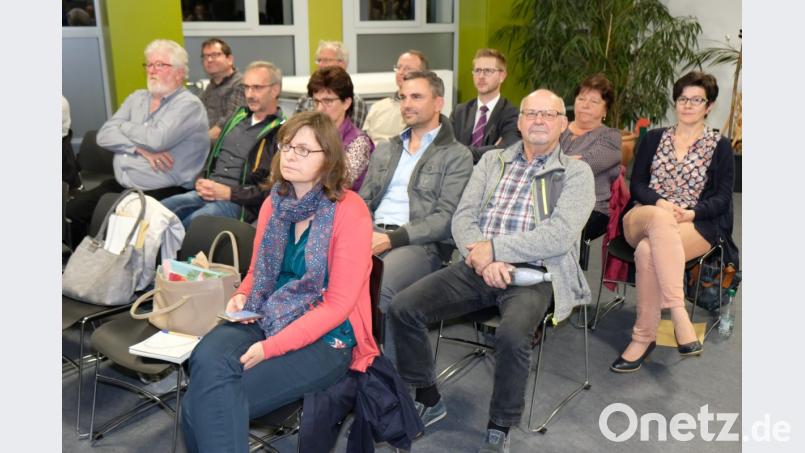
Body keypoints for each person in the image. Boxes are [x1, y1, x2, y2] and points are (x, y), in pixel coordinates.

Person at [389, 89, 594, 453]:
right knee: (404, 307)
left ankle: (500, 424)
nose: (539, 121)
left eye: (549, 114)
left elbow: (559, 236)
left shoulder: (575, 173)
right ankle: (428, 397)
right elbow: (463, 217)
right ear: (520, 121)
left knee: (513, 335)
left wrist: (497, 249)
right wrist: (486, 259)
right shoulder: (492, 162)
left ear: (564, 124)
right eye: (531, 113)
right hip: (478, 265)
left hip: (534, 275)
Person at [181, 111, 380, 452]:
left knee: (200, 405)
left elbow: (337, 305)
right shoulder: (277, 201)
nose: (289, 154)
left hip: (326, 337)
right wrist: (243, 294)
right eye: (287, 145)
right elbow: (258, 270)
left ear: (328, 158)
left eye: (304, 149)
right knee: (203, 357)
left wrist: (269, 348)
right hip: (267, 312)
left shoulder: (350, 210)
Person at [610, 71, 738, 373]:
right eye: (683, 99)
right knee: (657, 218)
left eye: (697, 100)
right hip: (644, 215)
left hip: (693, 222)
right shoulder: (655, 138)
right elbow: (638, 183)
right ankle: (678, 311)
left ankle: (643, 338)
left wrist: (691, 213)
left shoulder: (718, 145)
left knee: (646, 252)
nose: (688, 105)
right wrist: (662, 203)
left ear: (709, 106)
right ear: (675, 102)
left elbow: (722, 197)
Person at [358, 71, 473, 364]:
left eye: (416, 97)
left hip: (421, 244)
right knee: (322, 275)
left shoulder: (456, 155)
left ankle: (392, 382)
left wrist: (390, 239)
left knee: (378, 289)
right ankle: (349, 367)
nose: (407, 103)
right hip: (371, 232)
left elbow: (445, 218)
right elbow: (363, 201)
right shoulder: (386, 148)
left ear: (438, 103)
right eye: (403, 97)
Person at [65, 39, 208, 244]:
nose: (152, 70)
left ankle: (105, 270)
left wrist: (124, 126)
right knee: (72, 210)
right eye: (149, 64)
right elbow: (104, 135)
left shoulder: (189, 105)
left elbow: (157, 139)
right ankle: (80, 269)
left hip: (162, 189)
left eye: (160, 65)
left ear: (179, 71)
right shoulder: (138, 98)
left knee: (113, 226)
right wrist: (138, 150)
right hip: (123, 184)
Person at [160, 61, 286, 230]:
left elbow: (273, 190)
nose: (249, 94)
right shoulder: (237, 117)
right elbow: (214, 155)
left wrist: (228, 193)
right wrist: (201, 178)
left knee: (194, 223)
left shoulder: (282, 132)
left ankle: (172, 255)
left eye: (257, 88)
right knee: (159, 211)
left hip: (239, 201)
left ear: (275, 89)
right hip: (209, 190)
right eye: (246, 87)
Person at [559, 73, 622, 241]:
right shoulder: (558, 127)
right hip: (548, 201)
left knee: (551, 227)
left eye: (594, 102)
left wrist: (547, 158)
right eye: (581, 99)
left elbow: (581, 167)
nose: (585, 105)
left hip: (590, 209)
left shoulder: (611, 137)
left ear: (605, 110)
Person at [307, 66, 374, 191]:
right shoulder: (309, 134)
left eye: (328, 101)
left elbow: (338, 184)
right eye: (316, 101)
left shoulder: (359, 142)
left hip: (340, 206)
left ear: (346, 103)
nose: (319, 109)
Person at [450, 48, 520, 163]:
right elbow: (445, 150)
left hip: (492, 178)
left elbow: (505, 151)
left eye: (488, 71)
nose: (481, 76)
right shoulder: (459, 111)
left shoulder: (512, 114)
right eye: (477, 70)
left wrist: (460, 153)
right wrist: (493, 149)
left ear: (502, 76)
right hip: (458, 177)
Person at [295, 41, 368, 128]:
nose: (321, 65)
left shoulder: (356, 103)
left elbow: (350, 137)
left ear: (342, 64)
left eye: (326, 60)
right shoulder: (304, 99)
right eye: (319, 60)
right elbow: (294, 130)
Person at [363, 50, 428, 144]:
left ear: (423, 74)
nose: (400, 72)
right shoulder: (378, 107)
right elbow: (364, 142)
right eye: (399, 67)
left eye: (407, 68)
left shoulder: (425, 110)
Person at [198, 38, 245, 141]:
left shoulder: (241, 84)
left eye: (215, 55)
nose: (209, 60)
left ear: (230, 59)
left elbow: (231, 120)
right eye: (205, 56)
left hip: (225, 148)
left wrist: (199, 141)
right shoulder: (210, 88)